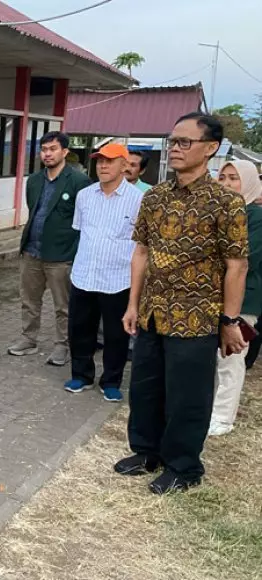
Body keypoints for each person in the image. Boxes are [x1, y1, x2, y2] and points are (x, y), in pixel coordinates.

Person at [117, 113, 248, 494]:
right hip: (153, 312)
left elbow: (236, 265)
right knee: (145, 388)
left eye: (184, 142)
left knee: (187, 396)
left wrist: (230, 320)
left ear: (210, 149)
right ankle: (146, 452)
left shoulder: (226, 203)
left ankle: (184, 466)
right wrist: (132, 304)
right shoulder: (155, 197)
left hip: (197, 317)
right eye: (172, 141)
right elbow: (142, 251)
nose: (175, 148)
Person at [63, 143, 143, 403]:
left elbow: (142, 245)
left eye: (109, 161)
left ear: (124, 165)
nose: (103, 166)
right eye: (99, 162)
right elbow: (81, 231)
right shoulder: (84, 196)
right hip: (84, 274)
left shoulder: (138, 199)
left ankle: (111, 380)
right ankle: (81, 375)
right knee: (79, 329)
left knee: (115, 335)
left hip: (118, 279)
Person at [9, 132, 92, 365]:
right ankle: (28, 338)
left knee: (63, 306)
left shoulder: (78, 182)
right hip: (31, 251)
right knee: (29, 300)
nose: (47, 153)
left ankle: (62, 345)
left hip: (60, 255)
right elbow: (33, 210)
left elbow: (83, 220)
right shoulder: (34, 180)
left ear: (65, 152)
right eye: (44, 149)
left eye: (53, 149)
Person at [209, 160, 262, 435]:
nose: (227, 184)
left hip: (242, 298)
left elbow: (241, 259)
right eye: (222, 177)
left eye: (234, 179)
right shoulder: (220, 212)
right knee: (213, 356)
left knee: (231, 357)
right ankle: (211, 407)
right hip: (213, 294)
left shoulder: (256, 217)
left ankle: (222, 417)